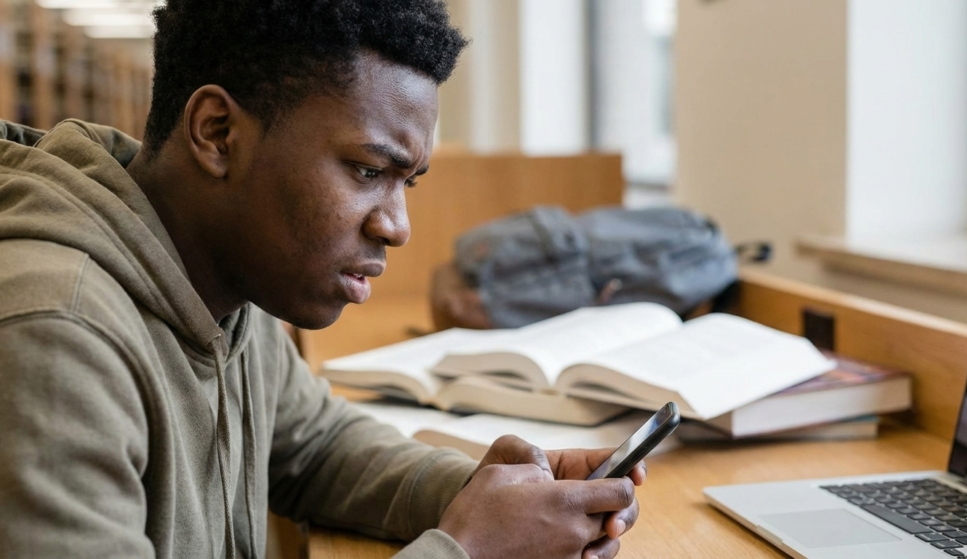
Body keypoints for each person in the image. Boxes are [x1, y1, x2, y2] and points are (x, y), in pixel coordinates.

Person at [0, 1, 645, 558]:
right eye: (368, 170)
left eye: (407, 182)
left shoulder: (220, 273)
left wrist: (483, 496)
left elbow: (315, 446)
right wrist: (468, 550)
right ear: (218, 135)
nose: (397, 227)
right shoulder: (57, 334)